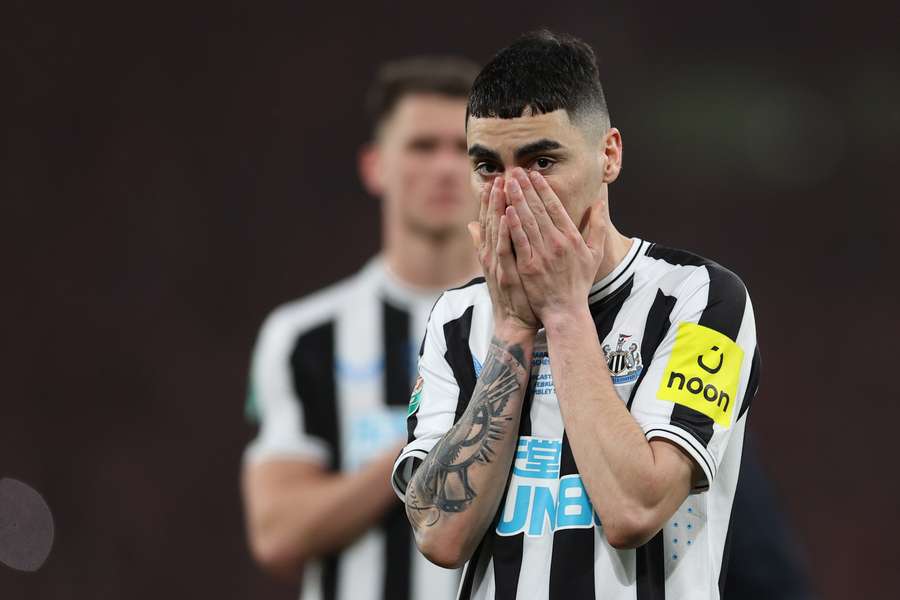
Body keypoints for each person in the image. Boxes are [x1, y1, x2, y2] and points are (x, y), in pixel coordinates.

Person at [392, 31, 761, 599]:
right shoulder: (458, 317)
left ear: (608, 154)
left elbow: (634, 509)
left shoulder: (700, 297)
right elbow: (439, 535)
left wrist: (562, 312)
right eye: (488, 167)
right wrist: (514, 327)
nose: (514, 193)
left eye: (542, 161)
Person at [241, 56, 481, 600]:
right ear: (376, 166)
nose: (446, 168)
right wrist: (435, 446)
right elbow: (276, 532)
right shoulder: (306, 335)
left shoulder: (544, 325)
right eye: (422, 147)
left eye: (464, 150)